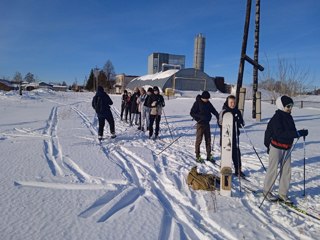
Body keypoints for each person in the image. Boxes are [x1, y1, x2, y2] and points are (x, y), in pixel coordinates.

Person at [263, 95, 308, 202]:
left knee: (286, 171)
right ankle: (267, 191)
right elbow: (280, 133)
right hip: (276, 147)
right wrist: (296, 134)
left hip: (287, 148)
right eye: (288, 106)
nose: (290, 108)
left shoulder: (289, 117)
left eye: (291, 106)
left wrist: (299, 133)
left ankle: (283, 193)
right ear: (281, 106)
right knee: (273, 170)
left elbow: (292, 131)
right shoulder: (277, 118)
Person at [218, 95, 245, 176]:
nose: (233, 104)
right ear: (227, 102)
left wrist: (239, 121)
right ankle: (225, 169)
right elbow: (220, 123)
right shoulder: (224, 111)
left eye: (234, 102)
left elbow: (242, 123)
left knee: (236, 153)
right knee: (226, 153)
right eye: (231, 102)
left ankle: (238, 169)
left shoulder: (237, 111)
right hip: (226, 137)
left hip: (235, 136)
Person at [190, 91, 219, 163]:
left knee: (208, 140)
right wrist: (199, 117)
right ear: (203, 98)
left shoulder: (208, 103)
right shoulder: (197, 103)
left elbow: (213, 110)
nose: (207, 100)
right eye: (206, 99)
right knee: (199, 140)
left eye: (208, 99)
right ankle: (197, 156)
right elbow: (192, 113)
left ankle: (209, 156)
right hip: (200, 124)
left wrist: (217, 116)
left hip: (207, 124)